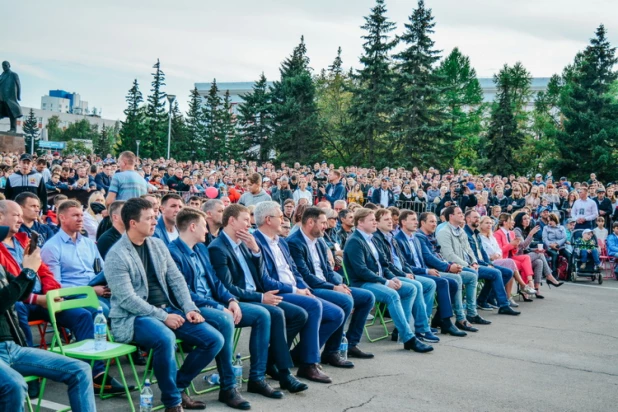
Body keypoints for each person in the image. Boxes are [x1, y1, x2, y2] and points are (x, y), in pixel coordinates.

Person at [0, 200, 129, 395]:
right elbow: (9, 289)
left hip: (46, 298)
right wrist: (38, 299)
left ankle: (96, 374)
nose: (20, 220)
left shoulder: (24, 241)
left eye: (20, 215)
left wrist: (52, 294)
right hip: (20, 300)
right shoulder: (3, 248)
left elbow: (45, 272)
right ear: (1, 217)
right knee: (18, 309)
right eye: (16, 215)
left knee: (83, 315)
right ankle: (25, 370)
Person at [105, 197, 219, 412]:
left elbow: (176, 280)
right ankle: (172, 402)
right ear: (133, 223)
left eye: (154, 216)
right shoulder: (117, 255)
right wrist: (162, 316)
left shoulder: (157, 245)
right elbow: (128, 299)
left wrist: (189, 308)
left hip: (167, 310)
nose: (154, 221)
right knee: (165, 338)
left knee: (213, 339)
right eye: (149, 218)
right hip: (133, 317)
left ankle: (178, 386)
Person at [207, 204, 309, 392]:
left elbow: (261, 276)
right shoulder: (217, 248)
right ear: (231, 221)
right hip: (237, 301)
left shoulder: (245, 243)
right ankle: (267, 375)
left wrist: (256, 251)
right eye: (245, 220)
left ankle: (273, 363)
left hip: (256, 295)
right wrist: (261, 297)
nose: (249, 223)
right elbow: (229, 288)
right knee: (273, 314)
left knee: (298, 315)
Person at [169, 208, 262, 408]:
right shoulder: (173, 252)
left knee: (261, 315)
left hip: (213, 303)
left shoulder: (202, 248)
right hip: (191, 307)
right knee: (224, 320)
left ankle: (258, 376)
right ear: (193, 227)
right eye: (204, 226)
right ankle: (228, 387)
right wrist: (217, 306)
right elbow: (182, 292)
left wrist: (231, 300)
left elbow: (216, 281)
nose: (207, 231)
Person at [0, 225, 97, 412]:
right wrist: (27, 273)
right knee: (14, 385)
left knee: (80, 370)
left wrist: (29, 269)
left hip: (11, 347)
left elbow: (20, 293)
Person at [253, 201, 349, 380]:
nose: (283, 219)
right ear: (268, 220)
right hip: (276, 292)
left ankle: (299, 354)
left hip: (295, 288)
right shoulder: (256, 242)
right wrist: (295, 290)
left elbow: (294, 271)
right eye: (280, 216)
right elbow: (266, 280)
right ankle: (308, 363)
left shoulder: (281, 242)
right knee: (313, 306)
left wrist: (303, 287)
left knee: (336, 314)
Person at [287, 206, 376, 358]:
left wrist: (339, 284)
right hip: (311, 288)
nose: (326, 226)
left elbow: (328, 271)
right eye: (322, 223)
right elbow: (305, 276)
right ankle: (331, 351)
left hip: (326, 284)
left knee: (367, 297)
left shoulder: (320, 241)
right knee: (345, 301)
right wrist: (334, 287)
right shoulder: (294, 242)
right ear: (310, 223)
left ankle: (351, 344)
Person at [343, 208, 433, 353]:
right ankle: (409, 338)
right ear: (360, 222)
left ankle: (402, 331)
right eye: (371, 220)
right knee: (392, 295)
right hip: (363, 283)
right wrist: (386, 282)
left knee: (410, 288)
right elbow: (362, 271)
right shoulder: (355, 241)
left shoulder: (371, 238)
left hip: (378, 280)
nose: (374, 223)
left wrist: (393, 277)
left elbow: (384, 264)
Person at [371, 208, 442, 343]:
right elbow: (386, 264)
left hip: (400, 272)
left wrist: (409, 272)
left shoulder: (390, 236)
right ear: (377, 223)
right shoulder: (377, 238)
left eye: (391, 219)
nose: (391, 221)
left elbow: (402, 261)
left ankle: (421, 325)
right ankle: (415, 328)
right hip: (390, 275)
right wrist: (403, 274)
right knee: (415, 286)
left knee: (429, 283)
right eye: (386, 219)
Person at [395, 210, 466, 337]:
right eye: (413, 220)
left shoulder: (414, 238)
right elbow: (405, 266)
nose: (416, 222)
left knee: (453, 283)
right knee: (439, 282)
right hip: (412, 273)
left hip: (422, 271)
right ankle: (438, 322)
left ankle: (440, 318)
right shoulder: (398, 240)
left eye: (416, 219)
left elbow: (427, 258)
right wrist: (428, 271)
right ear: (403, 222)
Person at [40, 200, 110, 315]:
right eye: (75, 215)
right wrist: (90, 291)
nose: (80, 219)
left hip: (96, 291)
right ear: (62, 218)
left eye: (81, 215)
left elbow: (102, 270)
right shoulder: (51, 248)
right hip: (73, 297)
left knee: (126, 307)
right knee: (103, 311)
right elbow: (55, 287)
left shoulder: (89, 243)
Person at [435, 207, 493, 326]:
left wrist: (474, 262)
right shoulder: (444, 232)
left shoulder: (460, 231)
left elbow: (469, 249)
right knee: (470, 275)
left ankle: (472, 313)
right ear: (451, 216)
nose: (462, 215)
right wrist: (467, 265)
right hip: (451, 266)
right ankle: (464, 315)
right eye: (459, 213)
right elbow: (449, 255)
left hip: (466, 264)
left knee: (474, 273)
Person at [463, 211, 519, 315]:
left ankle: (485, 298)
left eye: (478, 218)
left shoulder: (476, 234)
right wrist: (486, 265)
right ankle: (504, 305)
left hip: (482, 263)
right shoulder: (465, 234)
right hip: (472, 265)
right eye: (475, 217)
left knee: (507, 272)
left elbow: (483, 253)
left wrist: (488, 263)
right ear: (467, 219)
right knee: (496, 272)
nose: (477, 220)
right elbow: (472, 256)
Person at [488, 214, 537, 298]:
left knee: (527, 258)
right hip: (502, 258)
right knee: (520, 264)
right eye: (511, 220)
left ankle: (529, 283)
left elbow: (514, 252)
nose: (513, 222)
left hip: (511, 257)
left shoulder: (511, 233)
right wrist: (511, 244)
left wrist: (515, 246)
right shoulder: (497, 234)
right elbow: (500, 251)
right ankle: (524, 288)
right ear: (505, 222)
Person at [542, 213, 572, 277]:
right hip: (550, 247)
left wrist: (557, 244)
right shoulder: (546, 228)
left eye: (551, 221)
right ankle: (554, 273)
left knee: (569, 256)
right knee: (555, 254)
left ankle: (569, 274)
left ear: (555, 220)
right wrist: (551, 245)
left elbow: (564, 238)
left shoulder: (561, 228)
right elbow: (544, 238)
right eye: (548, 221)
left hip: (560, 246)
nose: (549, 222)